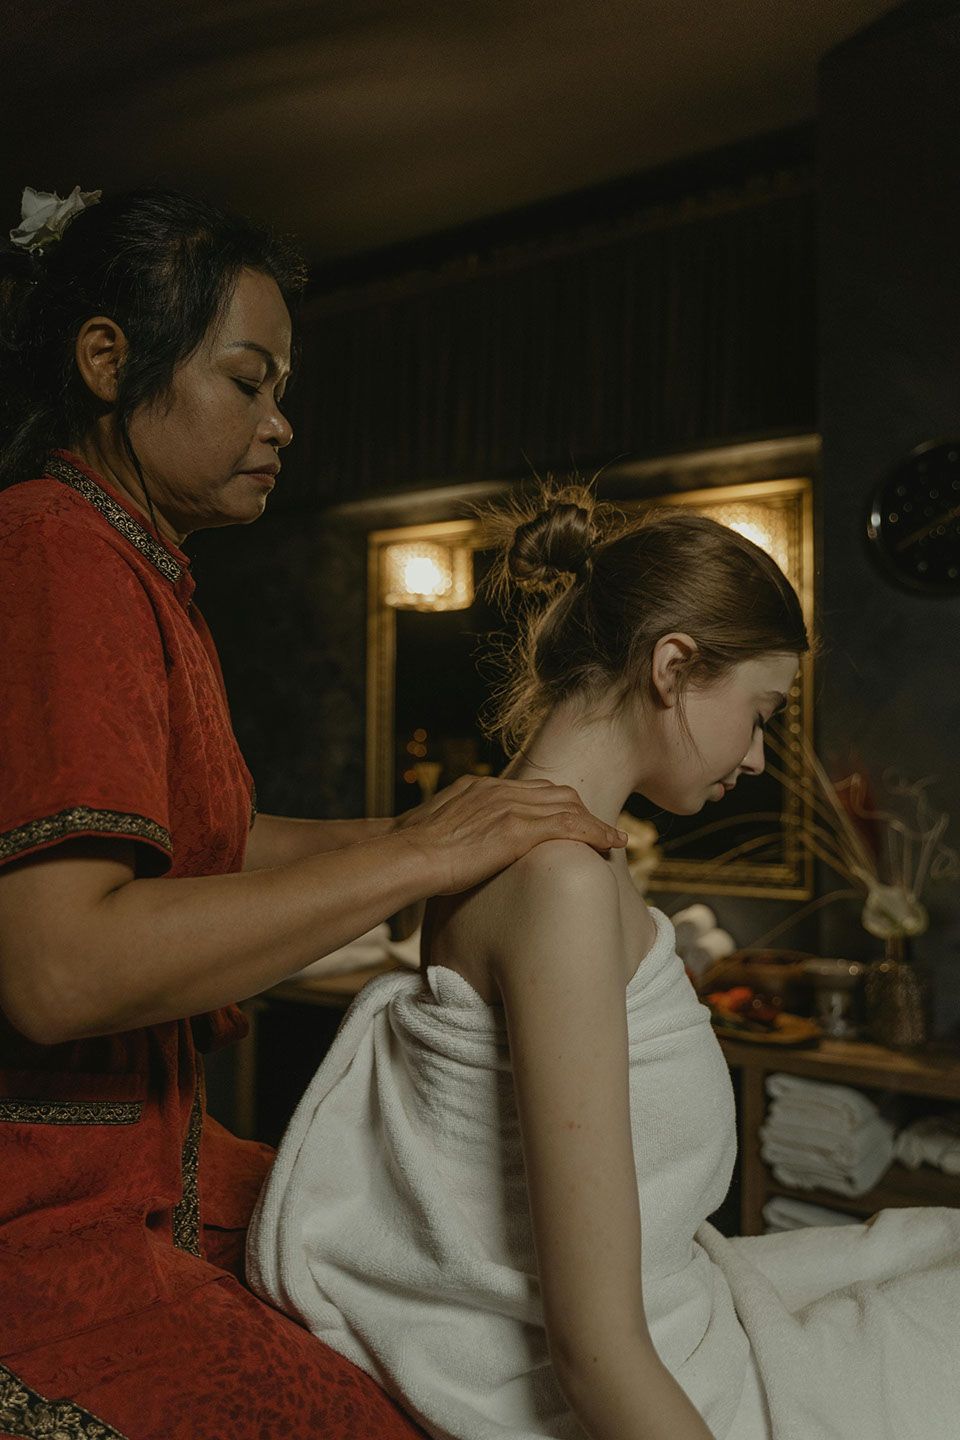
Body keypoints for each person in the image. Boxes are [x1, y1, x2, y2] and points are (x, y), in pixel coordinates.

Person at [0, 189, 629, 1440]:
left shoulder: (139, 569)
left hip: (160, 1162)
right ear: (107, 360)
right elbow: (58, 971)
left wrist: (433, 829)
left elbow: (214, 841)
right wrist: (420, 856)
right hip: (42, 1207)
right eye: (248, 382)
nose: (281, 423)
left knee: (433, 1301)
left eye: (281, 390)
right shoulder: (52, 552)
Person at [249, 486, 960, 1440]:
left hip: (685, 1309)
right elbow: (596, 1355)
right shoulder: (562, 884)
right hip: (663, 1376)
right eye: (760, 713)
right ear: (674, 667)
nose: (758, 756)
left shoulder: (529, 849)